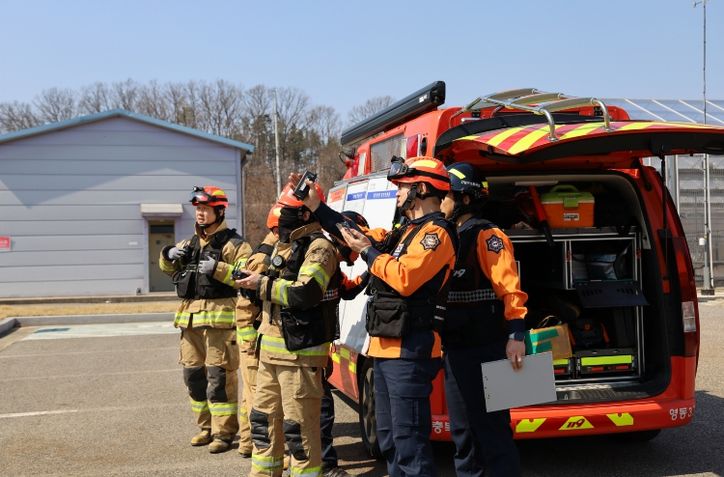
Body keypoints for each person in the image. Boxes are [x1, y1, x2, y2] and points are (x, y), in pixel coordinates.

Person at [304, 157, 457, 477]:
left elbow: (405, 278)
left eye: (402, 187)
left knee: (409, 443)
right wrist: (317, 207)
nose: (397, 193)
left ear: (421, 188)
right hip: (385, 349)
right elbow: (352, 234)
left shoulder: (436, 234)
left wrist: (367, 252)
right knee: (389, 440)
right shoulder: (403, 232)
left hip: (411, 350)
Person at [236, 182, 340, 477]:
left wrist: (262, 284)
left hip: (299, 357)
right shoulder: (285, 246)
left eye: (286, 212)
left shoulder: (320, 248)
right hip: (269, 353)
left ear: (306, 214)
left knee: (299, 435)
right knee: (263, 426)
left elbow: (306, 293)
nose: (280, 218)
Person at [439, 162, 528, 477]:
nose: (440, 202)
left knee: (494, 432)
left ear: (464, 199)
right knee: (463, 434)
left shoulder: (488, 235)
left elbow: (511, 288)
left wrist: (516, 335)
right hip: (456, 350)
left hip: (489, 348)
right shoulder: (447, 237)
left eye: (445, 196)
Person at [159, 185, 252, 453]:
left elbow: (247, 276)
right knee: (193, 377)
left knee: (219, 378)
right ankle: (205, 428)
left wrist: (219, 268)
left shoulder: (236, 245)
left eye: (205, 209)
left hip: (220, 323)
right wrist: (167, 255)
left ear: (219, 211)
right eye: (198, 209)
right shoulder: (188, 244)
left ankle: (224, 433)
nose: (200, 213)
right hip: (189, 322)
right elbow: (168, 270)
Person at [236, 203, 282, 458]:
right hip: (253, 337)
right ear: (277, 230)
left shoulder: (265, 252)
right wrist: (251, 339)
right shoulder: (265, 258)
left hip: (250, 336)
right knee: (259, 396)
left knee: (250, 393)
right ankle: (260, 447)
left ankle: (246, 442)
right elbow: (247, 303)